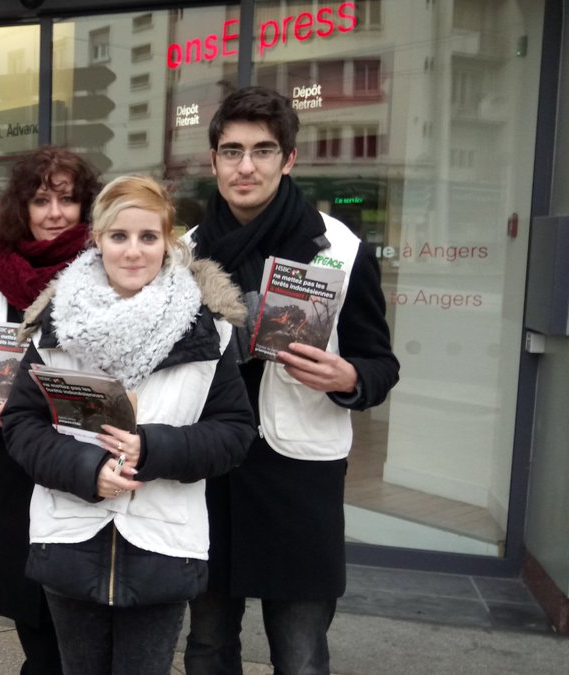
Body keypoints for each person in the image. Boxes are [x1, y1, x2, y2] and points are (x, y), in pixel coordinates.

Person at [1, 175, 257, 675]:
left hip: (162, 545)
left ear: (169, 242)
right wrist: (86, 468)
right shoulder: (57, 326)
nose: (134, 252)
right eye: (119, 236)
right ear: (96, 240)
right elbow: (22, 425)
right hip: (70, 534)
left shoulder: (208, 331)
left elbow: (234, 433)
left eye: (148, 237)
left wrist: (152, 449)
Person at [183, 87, 400, 675]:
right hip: (210, 471)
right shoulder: (182, 253)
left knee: (300, 655)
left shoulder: (339, 248)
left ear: (289, 159)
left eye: (262, 150)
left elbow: (381, 364)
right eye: (231, 151)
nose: (245, 166)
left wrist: (348, 376)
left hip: (299, 472)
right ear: (214, 161)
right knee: (206, 646)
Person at [0, 146, 102, 674]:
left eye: (67, 200)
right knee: (29, 618)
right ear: (23, 207)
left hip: (74, 463)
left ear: (87, 208)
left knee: (75, 621)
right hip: (12, 466)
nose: (54, 213)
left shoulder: (105, 274)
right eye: (41, 200)